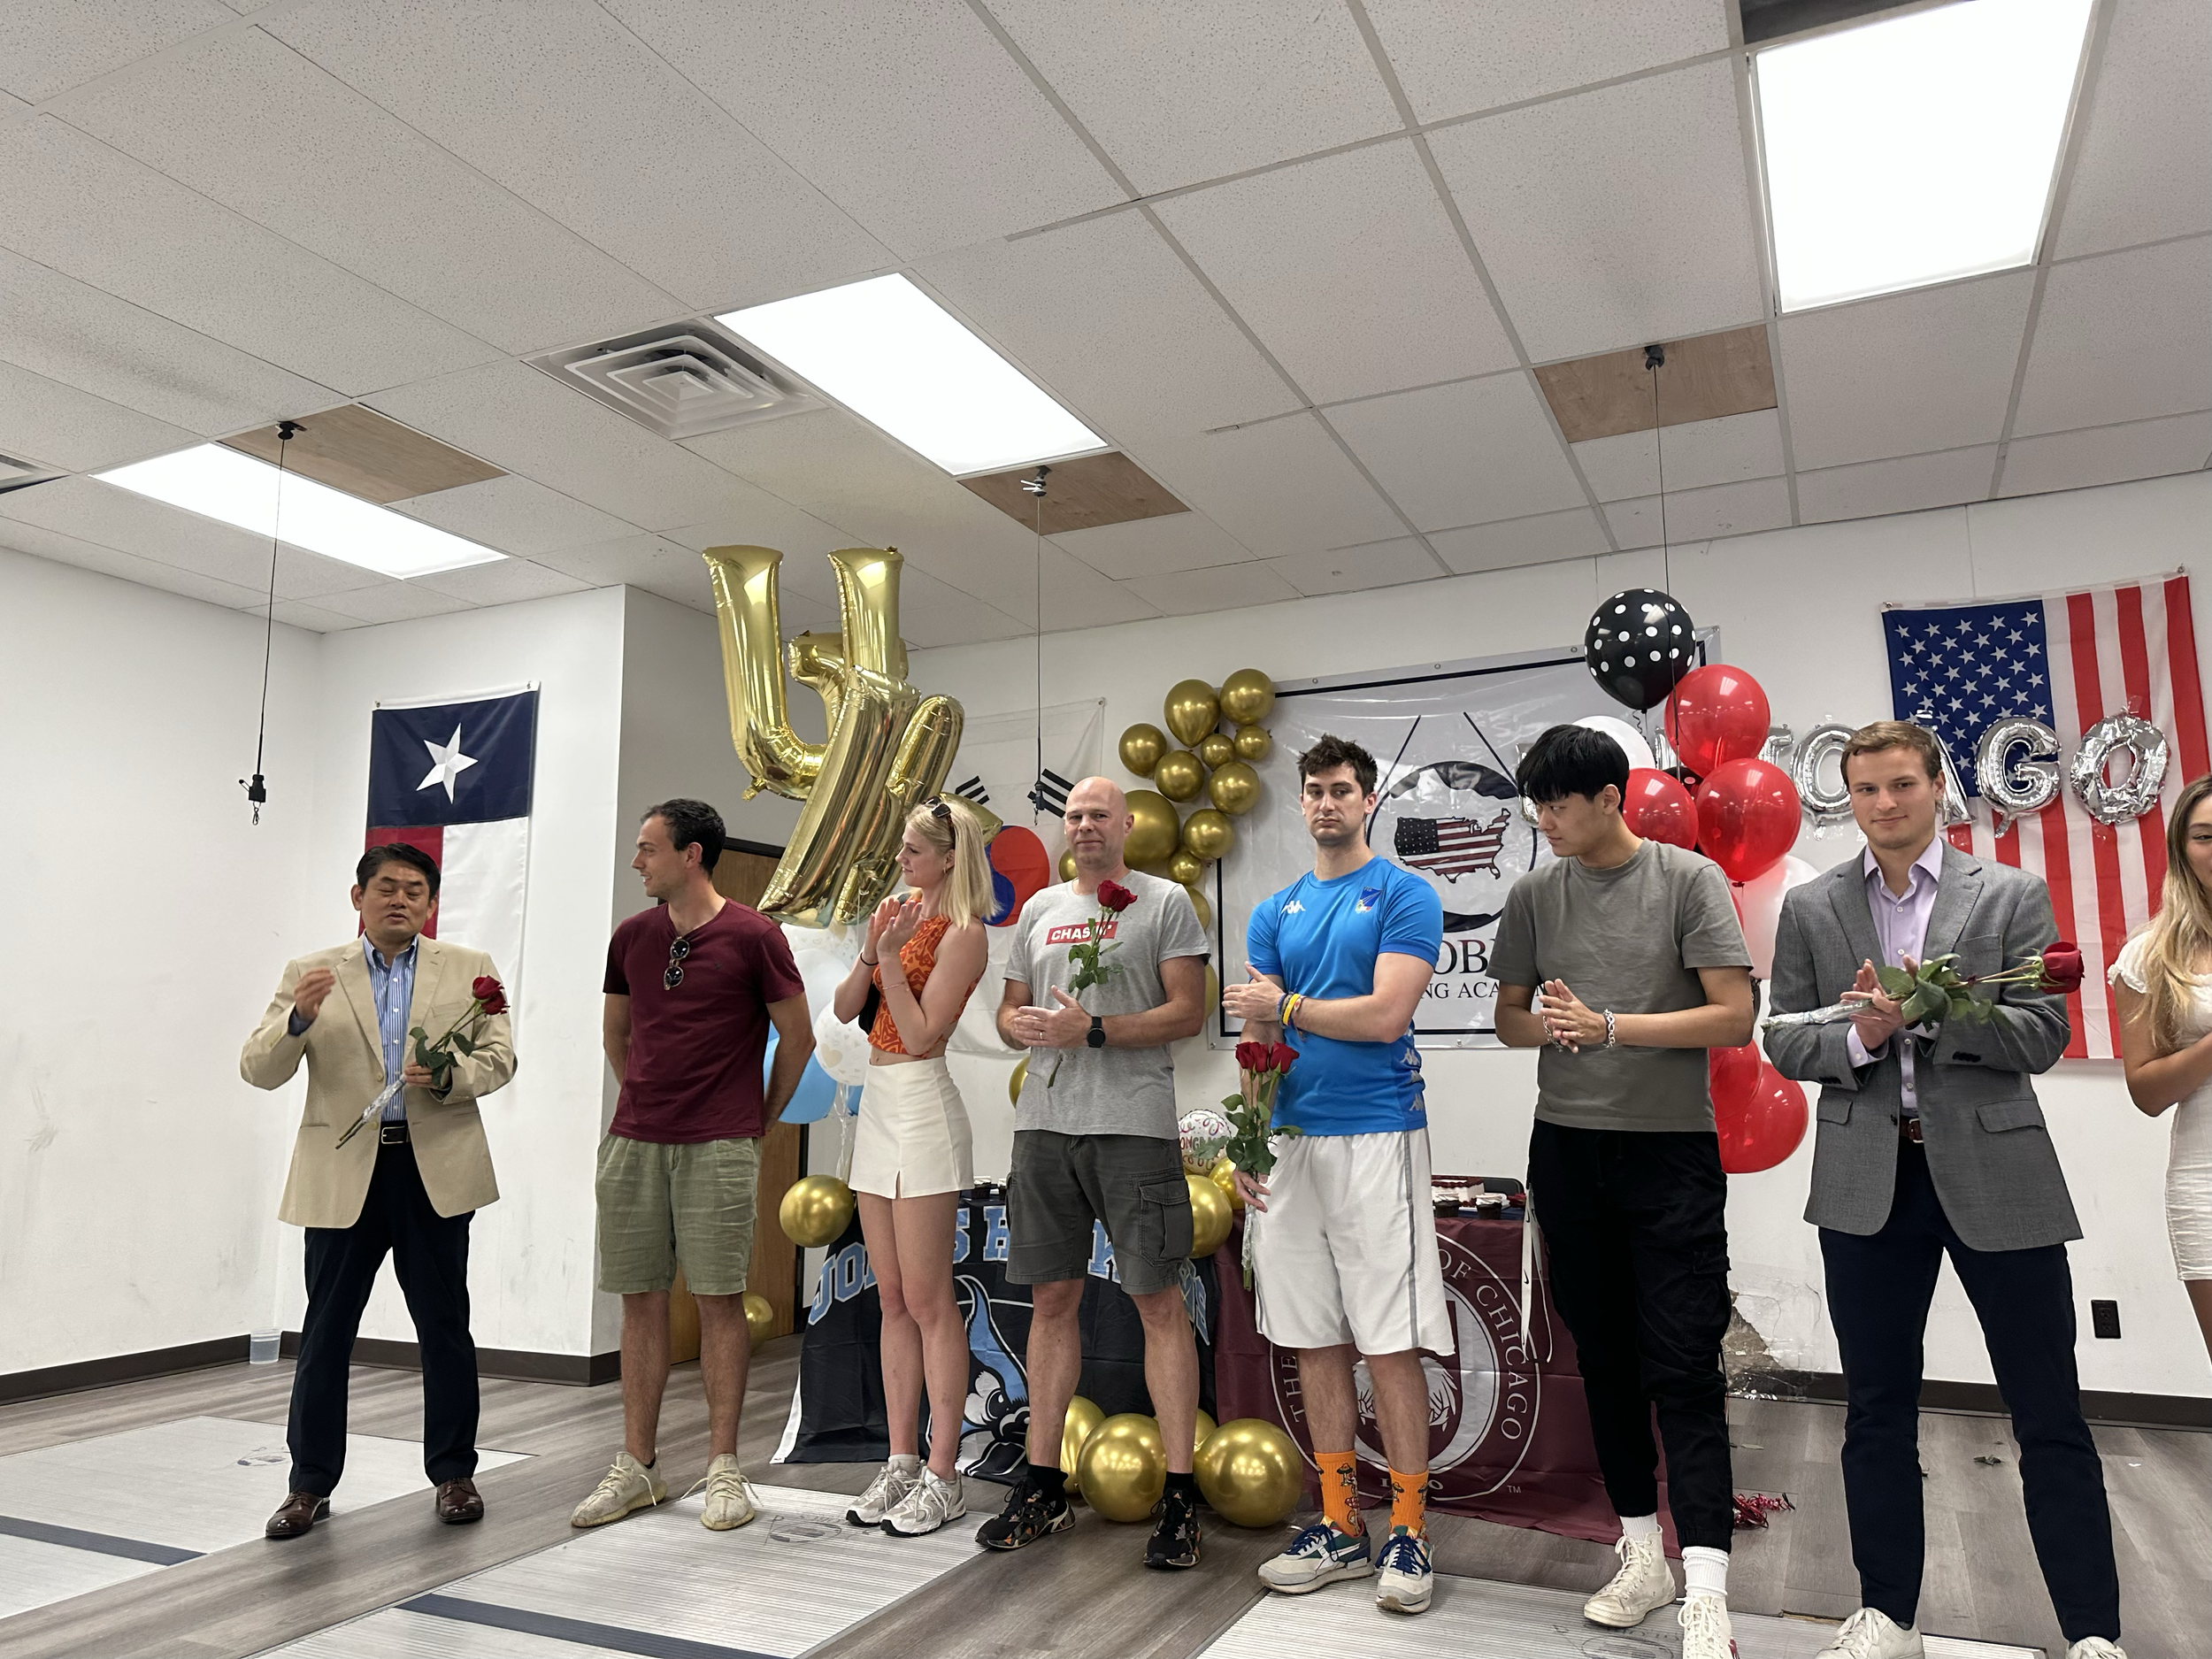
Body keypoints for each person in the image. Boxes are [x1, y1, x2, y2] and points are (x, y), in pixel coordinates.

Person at [1767, 721, 2125, 1659]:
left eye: (1899, 786)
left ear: (1936, 789)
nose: (1883, 806)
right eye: (1865, 791)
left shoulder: (2006, 894)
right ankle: (1888, 1614)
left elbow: (2042, 1037)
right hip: (1864, 1185)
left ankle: (2092, 1632)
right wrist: (1866, 1038)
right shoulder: (1811, 910)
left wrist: (1940, 1012)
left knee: (2046, 1410)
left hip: (1995, 1169)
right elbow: (1785, 1036)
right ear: (1849, 799)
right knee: (1874, 1408)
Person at [1489, 724, 1755, 1659]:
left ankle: (1708, 1587)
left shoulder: (1685, 880)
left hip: (1668, 1153)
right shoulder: (1531, 894)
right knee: (1603, 1359)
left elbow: (1734, 1014)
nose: (1544, 820)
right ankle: (1639, 1552)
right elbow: (1508, 1021)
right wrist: (1553, 1030)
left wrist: (1611, 1028)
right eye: (1537, 804)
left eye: (1558, 803)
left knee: (1683, 1363)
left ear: (1610, 798)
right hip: (1566, 1152)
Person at [1220, 734, 1447, 1617]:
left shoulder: (1402, 894)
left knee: (1385, 1337)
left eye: (1341, 791)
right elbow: (1257, 1041)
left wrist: (1286, 1008)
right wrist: (1245, 1138)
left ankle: (1411, 1530)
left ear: (1368, 802)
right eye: (1313, 790)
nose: (1325, 804)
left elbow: (1387, 1015)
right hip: (1286, 1138)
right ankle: (1338, 1524)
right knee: (1313, 1335)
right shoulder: (1272, 910)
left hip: (1376, 1134)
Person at [242, 843, 516, 1539]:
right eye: (387, 887)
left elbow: (501, 1055)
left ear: (430, 904)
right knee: (326, 1334)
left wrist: (451, 1077)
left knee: (444, 1328)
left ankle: (454, 1472)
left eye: (415, 890)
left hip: (433, 1170)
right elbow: (258, 1067)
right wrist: (296, 1021)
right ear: (357, 896)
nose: (401, 899)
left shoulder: (470, 969)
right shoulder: (311, 973)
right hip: (343, 1176)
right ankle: (308, 1485)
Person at [980, 776, 1210, 1569]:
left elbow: (1188, 1010)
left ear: (1127, 824)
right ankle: (1043, 1485)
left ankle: (1180, 1495)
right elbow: (1008, 1013)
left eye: (1098, 814)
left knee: (1154, 1301)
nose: (1083, 825)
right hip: (1044, 1126)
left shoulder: (1166, 899)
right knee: (1051, 1299)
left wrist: (1098, 1029)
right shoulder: (1041, 908)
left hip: (1133, 1127)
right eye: (1073, 814)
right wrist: (1025, 1024)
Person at [571, 800, 813, 1533]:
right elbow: (616, 1031)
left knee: (717, 1299)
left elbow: (797, 1038)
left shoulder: (754, 935)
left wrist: (756, 1121)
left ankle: (723, 1466)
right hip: (634, 1140)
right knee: (638, 1298)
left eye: (648, 849)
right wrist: (646, 1094)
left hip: (721, 1142)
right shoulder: (632, 936)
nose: (638, 861)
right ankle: (637, 1466)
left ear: (692, 855)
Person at [832, 796, 993, 1538]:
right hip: (879, 1101)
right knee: (890, 1294)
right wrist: (873, 950)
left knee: (929, 1298)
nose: (901, 859)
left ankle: (943, 1471)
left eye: (912, 849)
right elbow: (842, 1009)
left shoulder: (966, 932)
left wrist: (894, 958)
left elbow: (926, 1032)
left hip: (924, 1104)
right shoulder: (895, 912)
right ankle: (900, 1461)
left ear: (950, 856)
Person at [2114, 773, 2212, 1368]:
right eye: (2204, 835)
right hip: (2206, 1181)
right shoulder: (2150, 955)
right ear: (2182, 847)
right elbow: (2147, 1091)